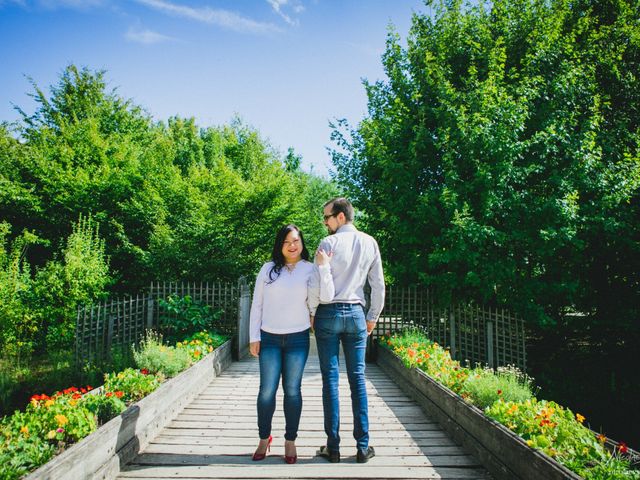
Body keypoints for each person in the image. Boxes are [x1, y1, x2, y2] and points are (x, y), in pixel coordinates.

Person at [309, 197, 385, 464]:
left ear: (341, 217)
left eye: (327, 217)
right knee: (357, 380)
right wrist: (372, 317)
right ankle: (363, 447)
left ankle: (334, 448)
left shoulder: (328, 243)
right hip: (355, 314)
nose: (325, 223)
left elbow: (317, 285)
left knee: (330, 381)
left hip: (328, 313)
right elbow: (378, 286)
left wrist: (312, 313)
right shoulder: (370, 242)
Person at [249, 224, 315, 464]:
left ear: (301, 243)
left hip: (298, 338)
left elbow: (318, 299)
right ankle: (264, 438)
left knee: (293, 390)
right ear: (280, 245)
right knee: (267, 391)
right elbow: (257, 304)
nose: (293, 245)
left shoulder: (310, 269)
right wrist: (253, 337)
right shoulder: (267, 269)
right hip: (269, 337)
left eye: (296, 241)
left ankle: (290, 440)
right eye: (287, 241)